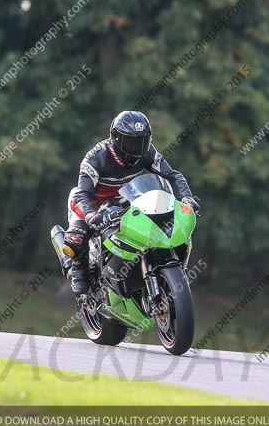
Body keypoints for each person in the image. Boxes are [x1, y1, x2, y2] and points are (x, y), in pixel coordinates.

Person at [62, 110, 200, 295]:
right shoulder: (95, 158)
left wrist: (186, 197)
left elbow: (172, 175)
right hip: (91, 204)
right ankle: (79, 270)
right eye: (131, 142)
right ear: (116, 139)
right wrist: (91, 215)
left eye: (142, 142)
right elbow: (81, 195)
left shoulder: (148, 153)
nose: (137, 148)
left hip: (124, 199)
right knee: (75, 239)